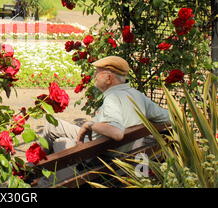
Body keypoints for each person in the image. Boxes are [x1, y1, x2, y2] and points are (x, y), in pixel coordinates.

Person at [36, 56, 171, 186]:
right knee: (56, 131)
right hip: (109, 149)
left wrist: (90, 124)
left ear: (108, 77)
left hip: (96, 152)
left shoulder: (112, 98)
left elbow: (117, 133)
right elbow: (170, 117)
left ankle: (29, 172)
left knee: (55, 132)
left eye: (98, 72)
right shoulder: (137, 95)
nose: (94, 75)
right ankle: (37, 172)